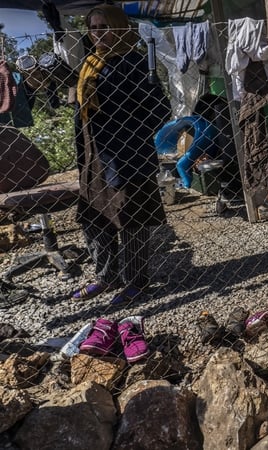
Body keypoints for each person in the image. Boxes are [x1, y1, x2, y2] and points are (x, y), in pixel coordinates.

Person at [71, 4, 170, 305]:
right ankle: (106, 275)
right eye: (93, 28)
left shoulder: (133, 62)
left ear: (120, 28)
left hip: (127, 156)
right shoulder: (90, 63)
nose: (98, 33)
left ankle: (136, 281)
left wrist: (126, 130)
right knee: (95, 216)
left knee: (131, 218)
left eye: (104, 27)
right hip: (95, 155)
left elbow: (160, 110)